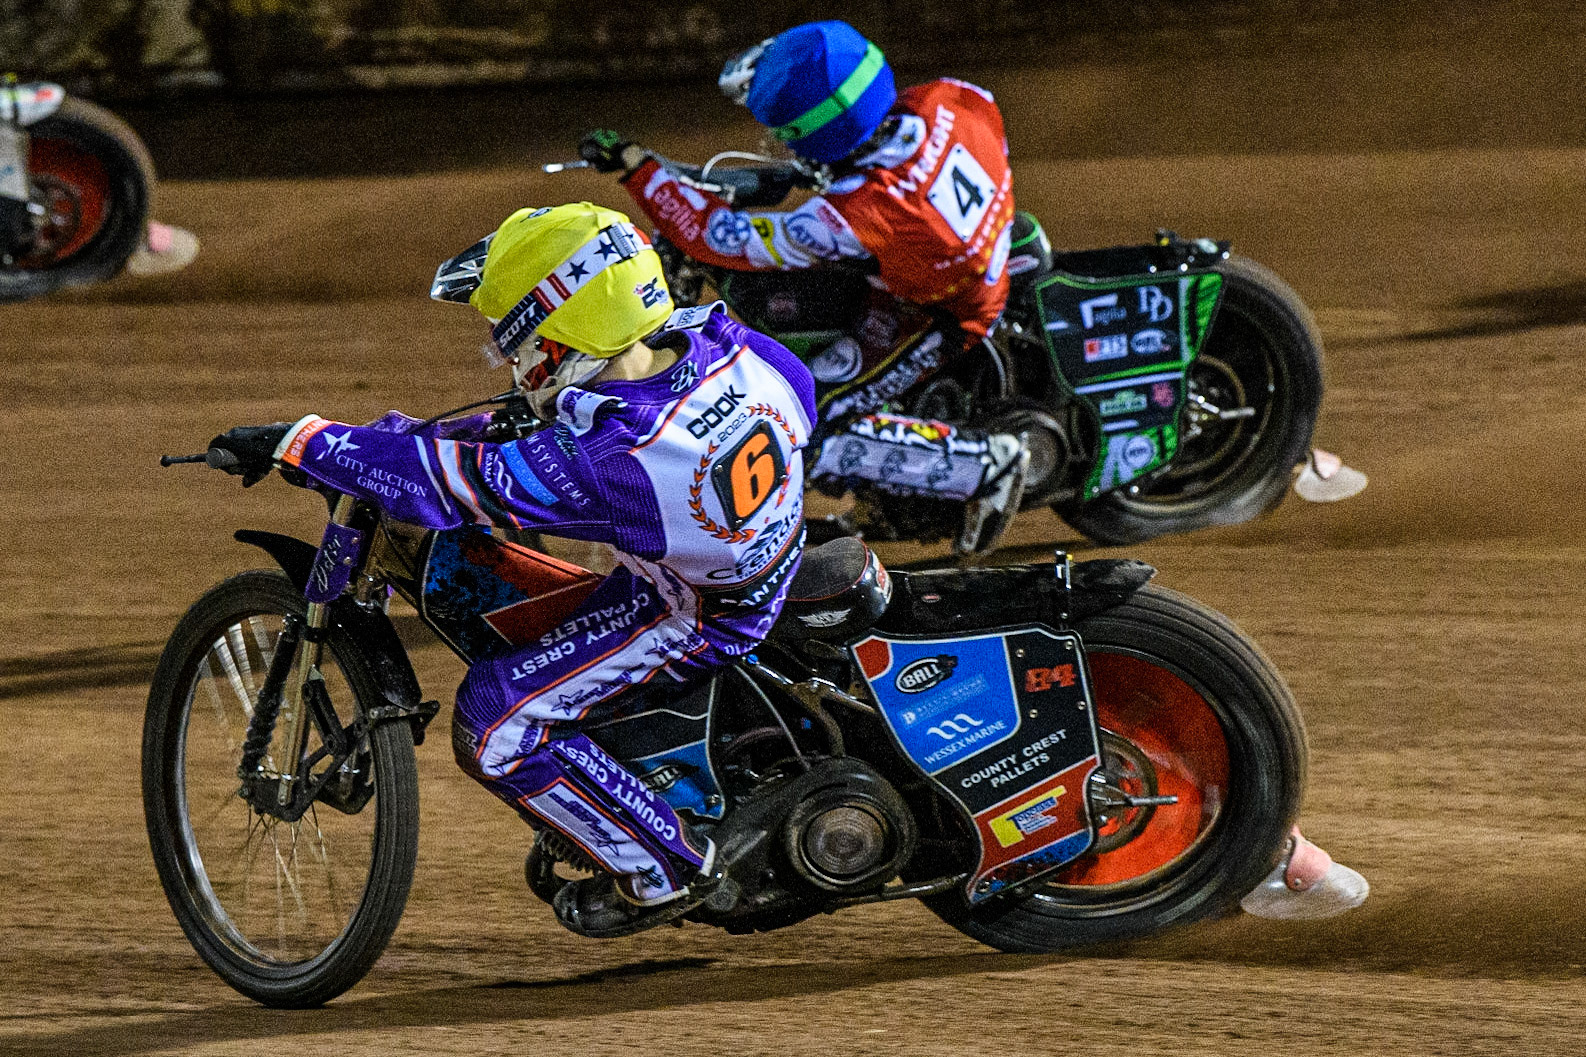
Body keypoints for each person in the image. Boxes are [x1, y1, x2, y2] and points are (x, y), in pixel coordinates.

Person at [208, 202, 816, 937]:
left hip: (694, 616)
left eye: (514, 336)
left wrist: (301, 441)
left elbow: (452, 485)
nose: (510, 355)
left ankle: (665, 869)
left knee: (496, 724)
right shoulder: (735, 347)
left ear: (559, 327)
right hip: (763, 558)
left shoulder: (611, 461)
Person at [580, 19, 1027, 554]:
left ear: (820, 131)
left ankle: (987, 465)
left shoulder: (860, 213)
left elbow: (716, 237)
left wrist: (638, 168)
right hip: (968, 247)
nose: (778, 143)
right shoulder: (952, 97)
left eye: (786, 133)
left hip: (942, 312)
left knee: (808, 414)